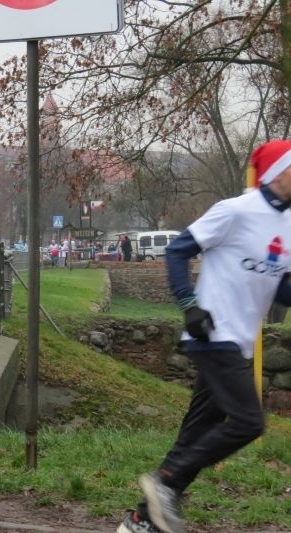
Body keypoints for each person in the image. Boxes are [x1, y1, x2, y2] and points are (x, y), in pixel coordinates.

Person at [118, 139, 291, 533]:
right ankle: (164, 483)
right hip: (213, 333)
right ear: (278, 171)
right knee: (249, 422)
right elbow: (177, 250)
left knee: (194, 435)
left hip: (240, 341)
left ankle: (140, 520)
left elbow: (280, 289)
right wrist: (188, 304)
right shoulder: (235, 211)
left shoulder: (289, 225)